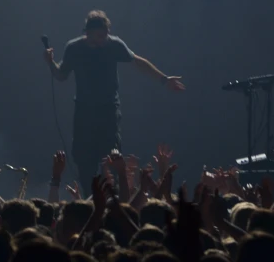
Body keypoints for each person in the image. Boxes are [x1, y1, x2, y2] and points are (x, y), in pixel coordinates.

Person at [44, 10, 185, 188]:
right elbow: (61, 75)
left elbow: (137, 61)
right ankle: (90, 199)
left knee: (111, 158)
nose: (103, 40)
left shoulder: (114, 45)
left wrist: (164, 79)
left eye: (105, 35)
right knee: (84, 160)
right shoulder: (74, 48)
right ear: (87, 33)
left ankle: (113, 198)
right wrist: (50, 63)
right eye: (99, 36)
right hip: (84, 112)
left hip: (108, 110)